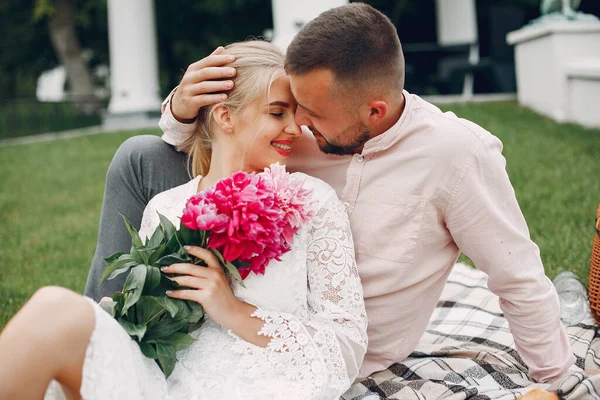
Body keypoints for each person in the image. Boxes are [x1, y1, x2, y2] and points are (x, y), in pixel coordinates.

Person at [85, 2, 575, 384]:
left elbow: (519, 279)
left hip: (328, 344)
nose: (297, 126)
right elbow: (228, 138)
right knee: (141, 155)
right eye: (291, 108)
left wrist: (558, 379)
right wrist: (183, 106)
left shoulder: (458, 156)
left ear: (374, 112)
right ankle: (105, 334)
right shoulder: (300, 131)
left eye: (311, 113)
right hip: (245, 293)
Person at [0, 41, 368, 400]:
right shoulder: (166, 207)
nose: (295, 128)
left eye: (296, 114)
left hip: (262, 384)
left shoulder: (310, 201)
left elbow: (347, 342)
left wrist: (233, 310)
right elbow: (148, 326)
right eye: (277, 113)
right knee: (54, 309)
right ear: (225, 116)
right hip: (161, 380)